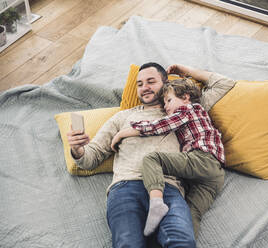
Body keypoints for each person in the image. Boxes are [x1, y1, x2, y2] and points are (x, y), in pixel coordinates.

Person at [67, 62, 236, 248]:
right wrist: (77, 149)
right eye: (139, 84)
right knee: (128, 244)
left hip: (169, 188)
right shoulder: (122, 117)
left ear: (165, 83)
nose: (144, 88)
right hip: (126, 187)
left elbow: (223, 83)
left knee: (182, 241)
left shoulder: (184, 107)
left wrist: (186, 71)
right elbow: (90, 158)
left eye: (151, 81)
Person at [111, 78, 225, 237]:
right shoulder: (194, 113)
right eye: (164, 103)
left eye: (169, 100)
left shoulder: (188, 109)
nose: (166, 106)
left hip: (203, 159)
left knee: (152, 159)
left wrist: (124, 132)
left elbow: (160, 125)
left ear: (185, 97)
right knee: (191, 214)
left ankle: (157, 203)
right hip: (214, 177)